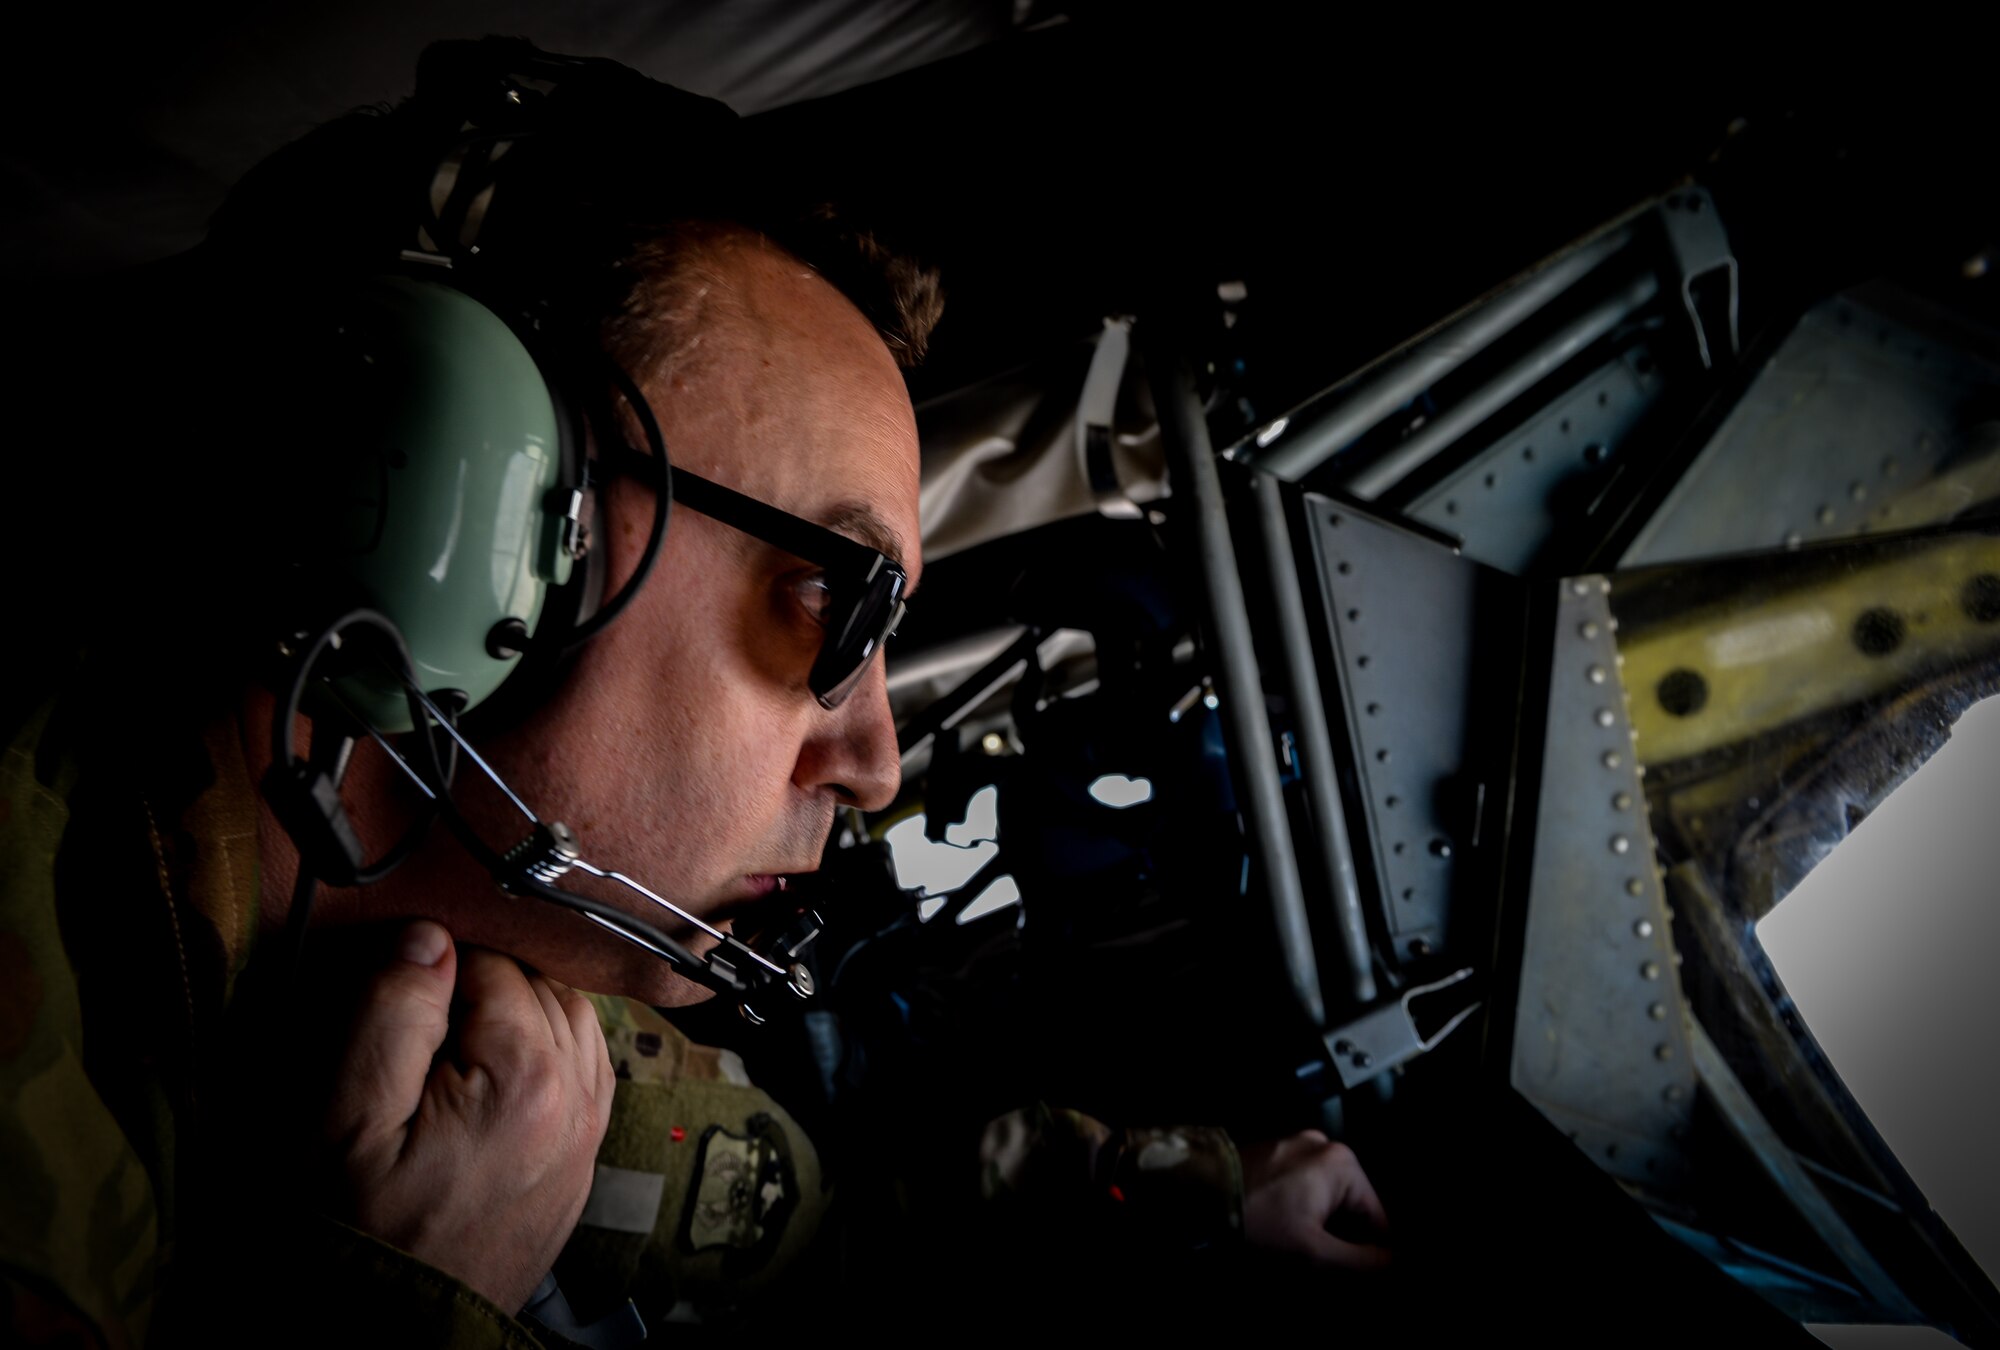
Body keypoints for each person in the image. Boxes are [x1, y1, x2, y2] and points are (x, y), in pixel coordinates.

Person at [1, 36, 1389, 1346]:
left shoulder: (497, 989)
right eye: (837, 609)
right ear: (469, 509)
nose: (874, 758)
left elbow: (810, 1227)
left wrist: (1191, 1186)